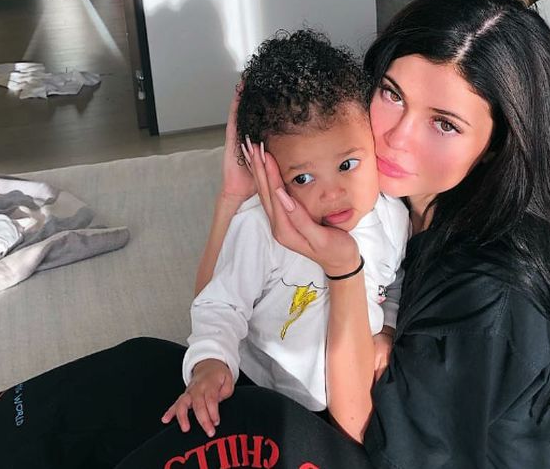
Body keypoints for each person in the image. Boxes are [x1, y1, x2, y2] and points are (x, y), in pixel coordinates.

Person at [201, 0, 550, 468]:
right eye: (393, 94)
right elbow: (217, 305)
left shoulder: (490, 293)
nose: (397, 137)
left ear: (496, 145)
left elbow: (364, 434)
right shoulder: (393, 206)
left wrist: (343, 270)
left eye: (444, 124)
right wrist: (234, 197)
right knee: (148, 369)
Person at [164, 30, 409, 436]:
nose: (333, 193)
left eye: (348, 165)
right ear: (268, 173)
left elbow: (394, 281)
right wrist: (211, 363)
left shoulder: (391, 217)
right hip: (261, 387)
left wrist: (386, 329)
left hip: (351, 394)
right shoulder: (258, 230)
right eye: (303, 177)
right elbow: (220, 305)